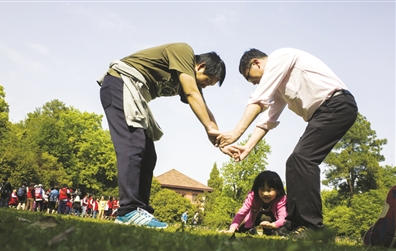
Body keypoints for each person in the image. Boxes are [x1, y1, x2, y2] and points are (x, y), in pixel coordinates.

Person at [218, 48, 358, 239]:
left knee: (303, 160)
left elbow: (258, 100)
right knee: (294, 163)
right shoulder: (279, 86)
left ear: (256, 63)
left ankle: (313, 227)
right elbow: (268, 118)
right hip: (322, 113)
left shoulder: (279, 57)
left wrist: (236, 132)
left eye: (253, 79)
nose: (256, 83)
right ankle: (292, 224)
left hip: (336, 105)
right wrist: (247, 148)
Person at [98, 43, 226, 228]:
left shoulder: (189, 81)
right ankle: (128, 211)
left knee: (148, 155)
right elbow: (192, 93)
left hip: (135, 95)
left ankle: (139, 209)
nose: (205, 86)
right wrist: (208, 128)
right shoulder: (184, 52)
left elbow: (203, 108)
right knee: (133, 145)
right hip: (121, 84)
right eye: (207, 80)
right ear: (200, 66)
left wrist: (222, 140)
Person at [222, 170, 287, 236]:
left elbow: (283, 219)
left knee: (269, 220)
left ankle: (269, 232)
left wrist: (273, 225)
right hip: (254, 224)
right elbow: (241, 213)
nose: (265, 193)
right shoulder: (253, 197)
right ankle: (255, 231)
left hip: (274, 226)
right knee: (243, 227)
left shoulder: (281, 200)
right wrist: (231, 229)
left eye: (269, 190)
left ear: (278, 191)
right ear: (257, 189)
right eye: (262, 189)